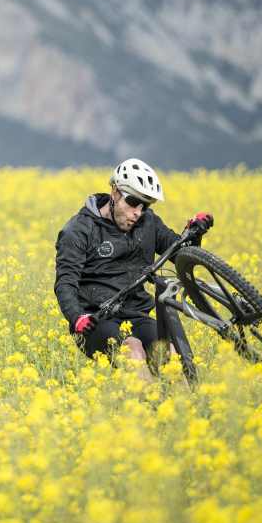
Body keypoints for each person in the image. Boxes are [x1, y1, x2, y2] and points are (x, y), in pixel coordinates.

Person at [54, 158, 213, 381]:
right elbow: (65, 282)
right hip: (97, 320)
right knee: (133, 350)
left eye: (144, 205)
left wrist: (195, 234)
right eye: (132, 202)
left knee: (172, 357)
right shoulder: (79, 230)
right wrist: (76, 316)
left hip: (137, 316)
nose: (138, 212)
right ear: (115, 192)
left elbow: (178, 254)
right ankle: (146, 412)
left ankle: (182, 413)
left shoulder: (148, 223)